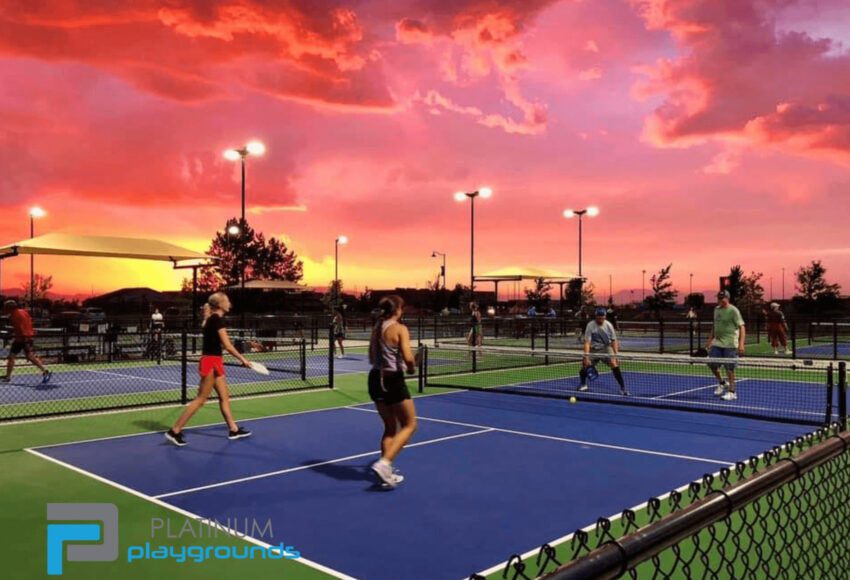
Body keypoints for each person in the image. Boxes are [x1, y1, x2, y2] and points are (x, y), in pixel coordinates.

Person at [165, 292, 252, 446]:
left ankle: (233, 429)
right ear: (220, 304)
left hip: (215, 361)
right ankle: (175, 431)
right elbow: (227, 346)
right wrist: (243, 359)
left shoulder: (211, 319)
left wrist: (206, 313)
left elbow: (210, 332)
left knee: (224, 397)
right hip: (210, 362)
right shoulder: (217, 320)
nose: (229, 303)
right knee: (201, 399)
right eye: (227, 301)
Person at [368, 295, 418, 487]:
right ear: (397, 309)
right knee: (410, 425)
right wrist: (412, 367)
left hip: (375, 379)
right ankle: (384, 464)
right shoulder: (400, 329)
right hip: (392, 380)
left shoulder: (377, 328)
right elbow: (408, 357)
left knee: (390, 428)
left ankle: (385, 472)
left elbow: (372, 357)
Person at [705, 290, 746, 401]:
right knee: (712, 365)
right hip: (717, 343)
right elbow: (715, 325)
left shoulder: (734, 311)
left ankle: (732, 392)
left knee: (729, 369)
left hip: (730, 344)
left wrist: (741, 344)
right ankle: (722, 383)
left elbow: (742, 327)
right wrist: (710, 339)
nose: (719, 300)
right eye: (718, 298)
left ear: (727, 298)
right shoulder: (716, 310)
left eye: (721, 298)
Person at [577, 307, 627, 395]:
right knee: (584, 365)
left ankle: (622, 388)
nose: (600, 319)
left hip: (606, 348)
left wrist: (616, 356)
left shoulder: (608, 325)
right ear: (596, 317)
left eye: (602, 317)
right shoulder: (590, 325)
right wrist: (586, 356)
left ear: (605, 317)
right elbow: (587, 342)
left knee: (614, 364)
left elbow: (614, 341)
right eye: (599, 317)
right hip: (593, 349)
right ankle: (583, 384)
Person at [1, 300, 51, 383]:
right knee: (29, 356)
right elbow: (28, 323)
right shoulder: (23, 311)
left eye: (6, 308)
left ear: (9, 308)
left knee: (12, 356)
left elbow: (21, 329)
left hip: (22, 338)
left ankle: (8, 377)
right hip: (28, 336)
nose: (4, 309)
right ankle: (44, 370)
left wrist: (26, 342)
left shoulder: (14, 316)